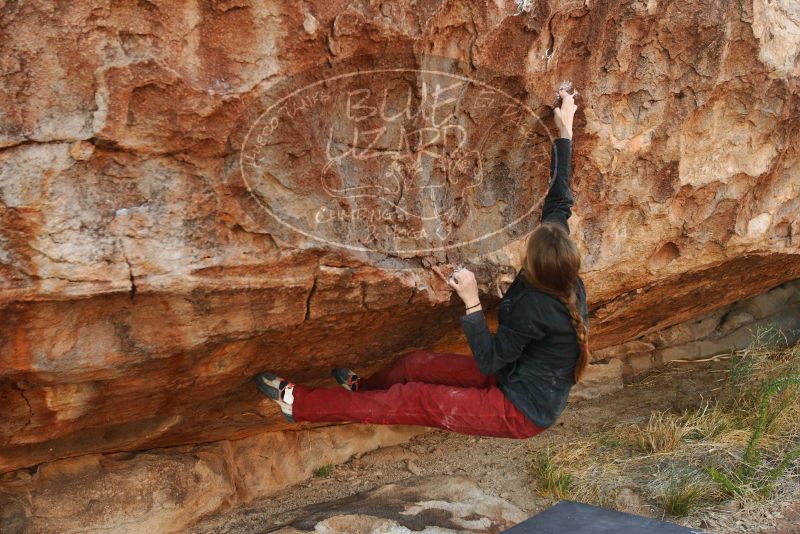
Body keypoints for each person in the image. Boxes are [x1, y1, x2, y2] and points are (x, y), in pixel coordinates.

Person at [252, 87, 589, 439]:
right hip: (513, 371)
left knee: (409, 399)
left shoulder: (538, 305)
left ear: (534, 266)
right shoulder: (559, 266)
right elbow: (559, 200)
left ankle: (299, 403)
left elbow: (489, 360)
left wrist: (472, 302)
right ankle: (363, 389)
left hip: (519, 410)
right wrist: (565, 130)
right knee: (415, 364)